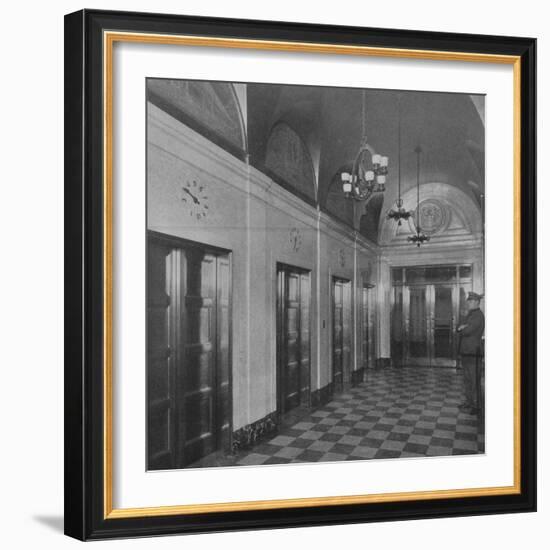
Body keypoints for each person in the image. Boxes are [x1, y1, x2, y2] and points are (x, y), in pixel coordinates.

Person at [456, 292, 485, 414]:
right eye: (468, 301)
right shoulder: (471, 314)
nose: (468, 303)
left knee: (474, 380)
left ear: (477, 302)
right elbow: (459, 326)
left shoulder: (478, 315)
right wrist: (461, 327)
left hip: (473, 353)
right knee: (467, 379)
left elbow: (467, 331)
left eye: (471, 301)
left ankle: (477, 407)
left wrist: (463, 327)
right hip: (466, 352)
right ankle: (469, 402)